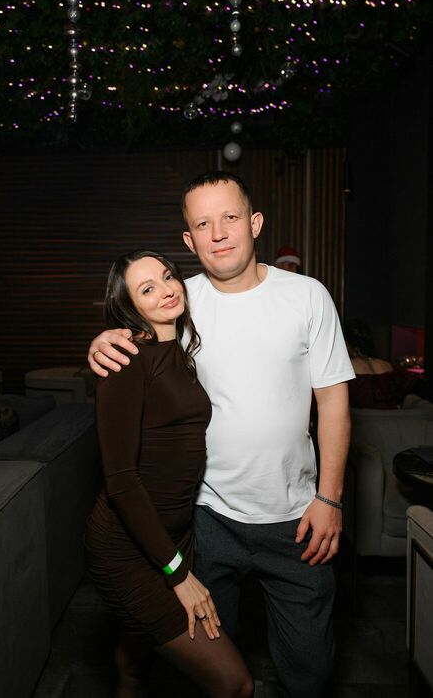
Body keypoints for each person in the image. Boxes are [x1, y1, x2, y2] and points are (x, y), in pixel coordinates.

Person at [88, 172, 355, 698]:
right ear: (189, 240)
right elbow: (132, 338)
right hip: (205, 520)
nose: (218, 234)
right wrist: (102, 340)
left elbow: (333, 402)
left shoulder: (307, 296)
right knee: (210, 670)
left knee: (310, 670)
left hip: (297, 519)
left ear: (254, 223)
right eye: (203, 224)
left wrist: (330, 498)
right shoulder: (178, 299)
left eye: (230, 217)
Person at [84, 250, 254, 698]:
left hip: (172, 536)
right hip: (127, 547)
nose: (166, 290)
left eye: (167, 276)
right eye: (147, 288)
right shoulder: (125, 362)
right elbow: (121, 481)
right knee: (235, 684)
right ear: (129, 306)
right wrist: (178, 574)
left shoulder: (177, 351)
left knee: (136, 663)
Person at [345, 319, 421, 409]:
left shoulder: (348, 367)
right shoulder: (387, 365)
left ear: (347, 344)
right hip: (393, 415)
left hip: (364, 416)